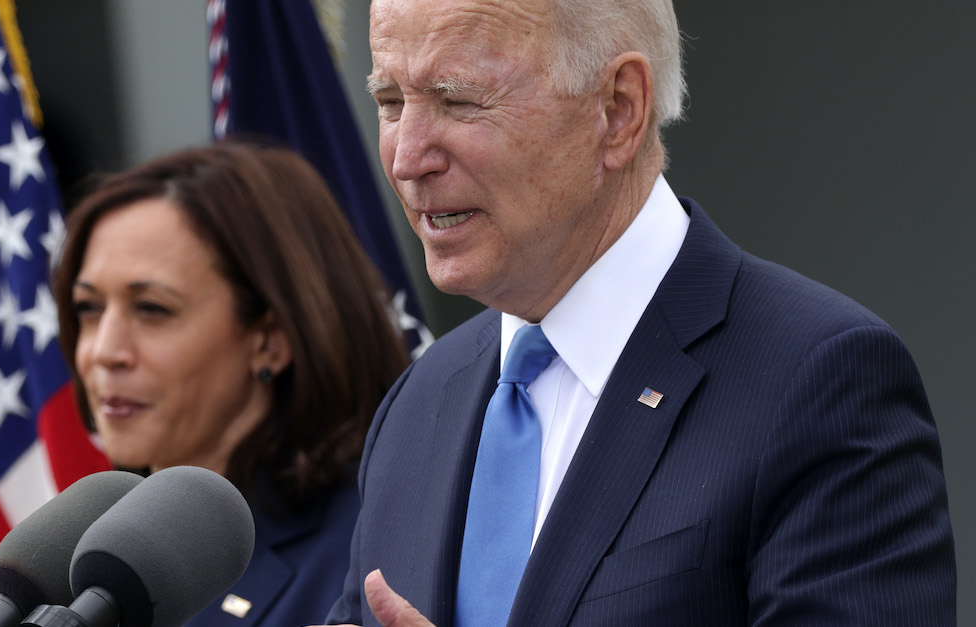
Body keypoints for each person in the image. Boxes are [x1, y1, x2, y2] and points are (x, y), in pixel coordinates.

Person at [321, 0, 957, 625]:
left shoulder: (819, 380)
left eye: (457, 101)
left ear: (618, 110)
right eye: (391, 104)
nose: (407, 159)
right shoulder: (416, 402)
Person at [51, 141, 410, 626]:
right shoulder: (73, 562)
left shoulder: (378, 549)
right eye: (89, 308)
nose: (103, 351)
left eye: (152, 309)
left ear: (270, 339)